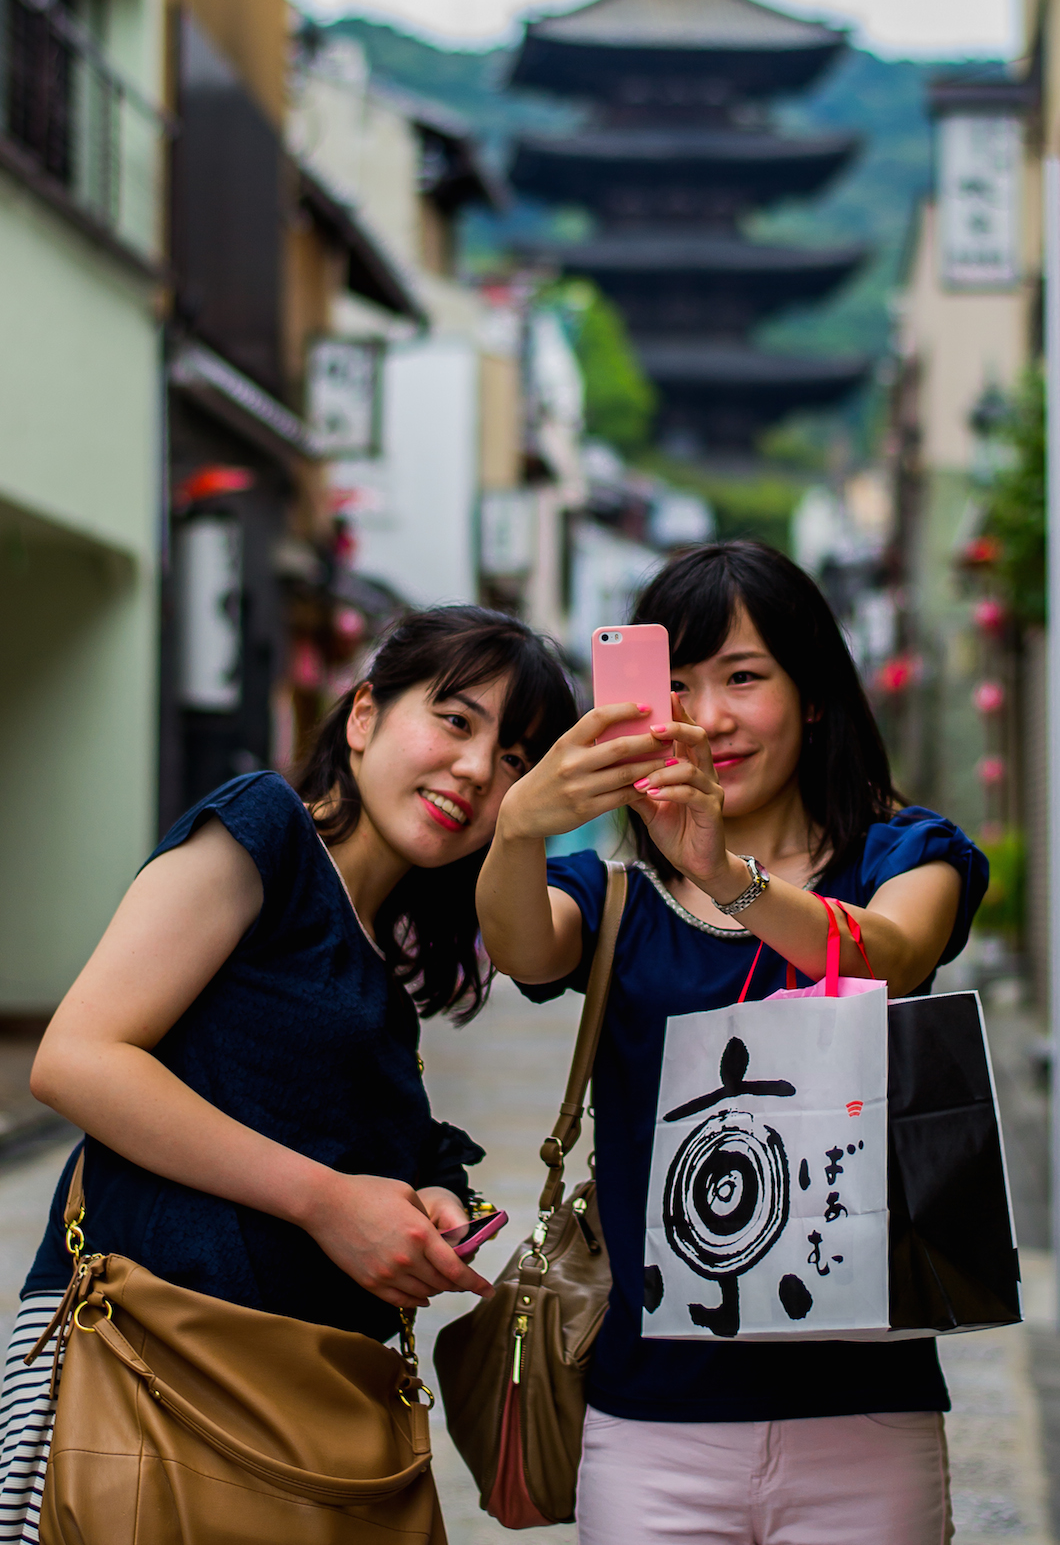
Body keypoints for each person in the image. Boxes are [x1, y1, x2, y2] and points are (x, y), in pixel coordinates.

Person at [0, 604, 576, 1544]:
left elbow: (335, 1129)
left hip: (300, 1421)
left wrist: (428, 1194)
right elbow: (78, 1058)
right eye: (455, 720)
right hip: (155, 1374)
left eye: (516, 760)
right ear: (362, 718)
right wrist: (327, 1203)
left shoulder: (383, 966)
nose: (478, 771)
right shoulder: (264, 827)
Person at [477, 540, 987, 1545]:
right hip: (653, 1425)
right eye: (675, 686)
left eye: (742, 678)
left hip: (865, 1414)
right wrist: (516, 832)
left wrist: (727, 876)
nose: (706, 717)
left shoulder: (903, 852)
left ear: (811, 696)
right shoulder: (618, 895)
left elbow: (887, 955)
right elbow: (522, 945)